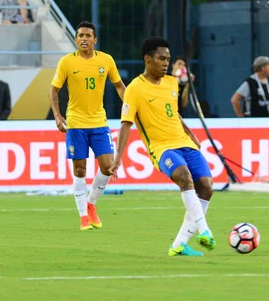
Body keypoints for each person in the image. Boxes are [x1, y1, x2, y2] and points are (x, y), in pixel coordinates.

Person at [111, 36, 215, 257]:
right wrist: (117, 158)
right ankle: (204, 230)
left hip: (184, 142)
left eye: (168, 59)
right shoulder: (135, 89)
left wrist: (190, 133)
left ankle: (178, 244)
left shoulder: (172, 83)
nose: (166, 63)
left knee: (206, 186)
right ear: (147, 59)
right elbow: (126, 124)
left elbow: (173, 113)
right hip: (161, 148)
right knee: (184, 177)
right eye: (161, 58)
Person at [49, 21, 126, 231]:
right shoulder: (66, 62)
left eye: (88, 35)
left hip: (99, 122)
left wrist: (130, 107)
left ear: (95, 40)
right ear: (75, 39)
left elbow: (119, 86)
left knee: (108, 167)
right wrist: (57, 116)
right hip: (75, 124)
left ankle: (91, 204)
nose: (84, 39)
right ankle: (83, 217)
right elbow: (53, 91)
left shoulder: (106, 60)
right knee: (80, 170)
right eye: (80, 35)